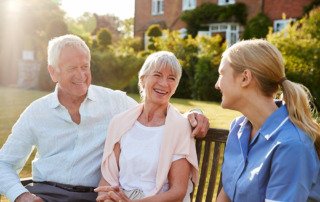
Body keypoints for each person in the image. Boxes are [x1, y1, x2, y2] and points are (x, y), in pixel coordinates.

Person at [0, 35, 209, 202]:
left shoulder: (115, 103)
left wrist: (194, 113)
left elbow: (156, 112)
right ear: (53, 72)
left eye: (85, 66)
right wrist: (22, 196)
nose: (81, 75)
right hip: (45, 194)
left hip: (90, 196)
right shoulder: (36, 112)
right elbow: (4, 163)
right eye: (72, 68)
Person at [215, 39, 320, 202]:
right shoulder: (238, 128)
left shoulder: (292, 146)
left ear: (245, 78)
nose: (217, 84)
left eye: (221, 74)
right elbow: (227, 192)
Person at [94, 51, 199, 202]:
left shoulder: (179, 127)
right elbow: (107, 181)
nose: (164, 83)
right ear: (142, 80)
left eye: (171, 78)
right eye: (157, 75)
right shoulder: (120, 123)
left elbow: (178, 191)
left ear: (175, 86)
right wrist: (106, 198)